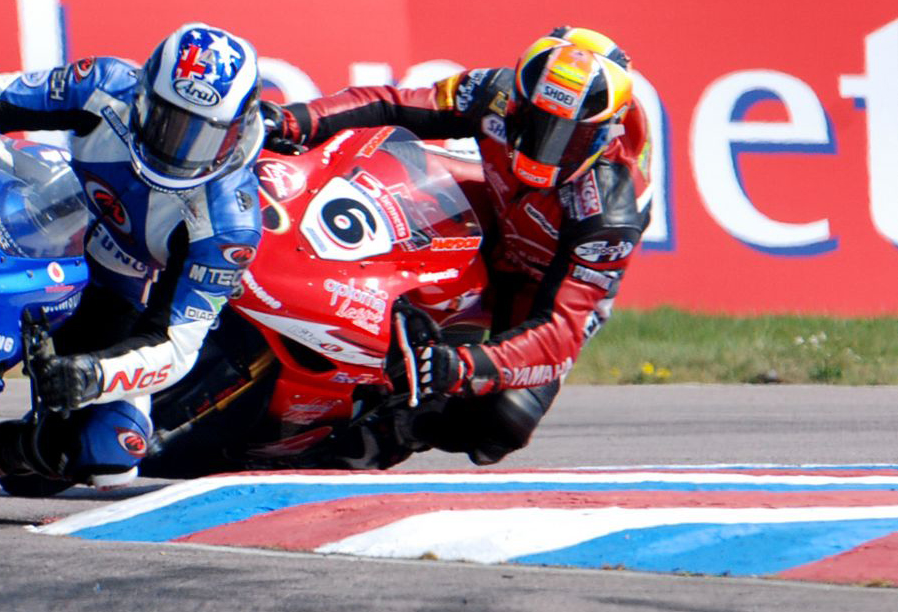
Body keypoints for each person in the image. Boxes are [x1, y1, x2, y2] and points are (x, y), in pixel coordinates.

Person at [0, 23, 267, 494]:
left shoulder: (229, 225)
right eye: (166, 122)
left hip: (111, 293)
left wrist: (94, 375)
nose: (174, 150)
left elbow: (177, 344)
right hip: (26, 219)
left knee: (112, 454)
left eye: (200, 137)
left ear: (237, 131)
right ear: (143, 96)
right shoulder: (105, 85)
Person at [262, 26, 651, 467]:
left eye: (569, 138)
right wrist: (294, 119)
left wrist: (464, 366)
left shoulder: (611, 211)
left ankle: (396, 429)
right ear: (519, 102)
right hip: (490, 207)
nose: (547, 150)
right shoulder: (495, 93)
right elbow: (393, 103)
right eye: (537, 125)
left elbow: (560, 334)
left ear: (603, 135)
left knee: (503, 425)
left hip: (546, 277)